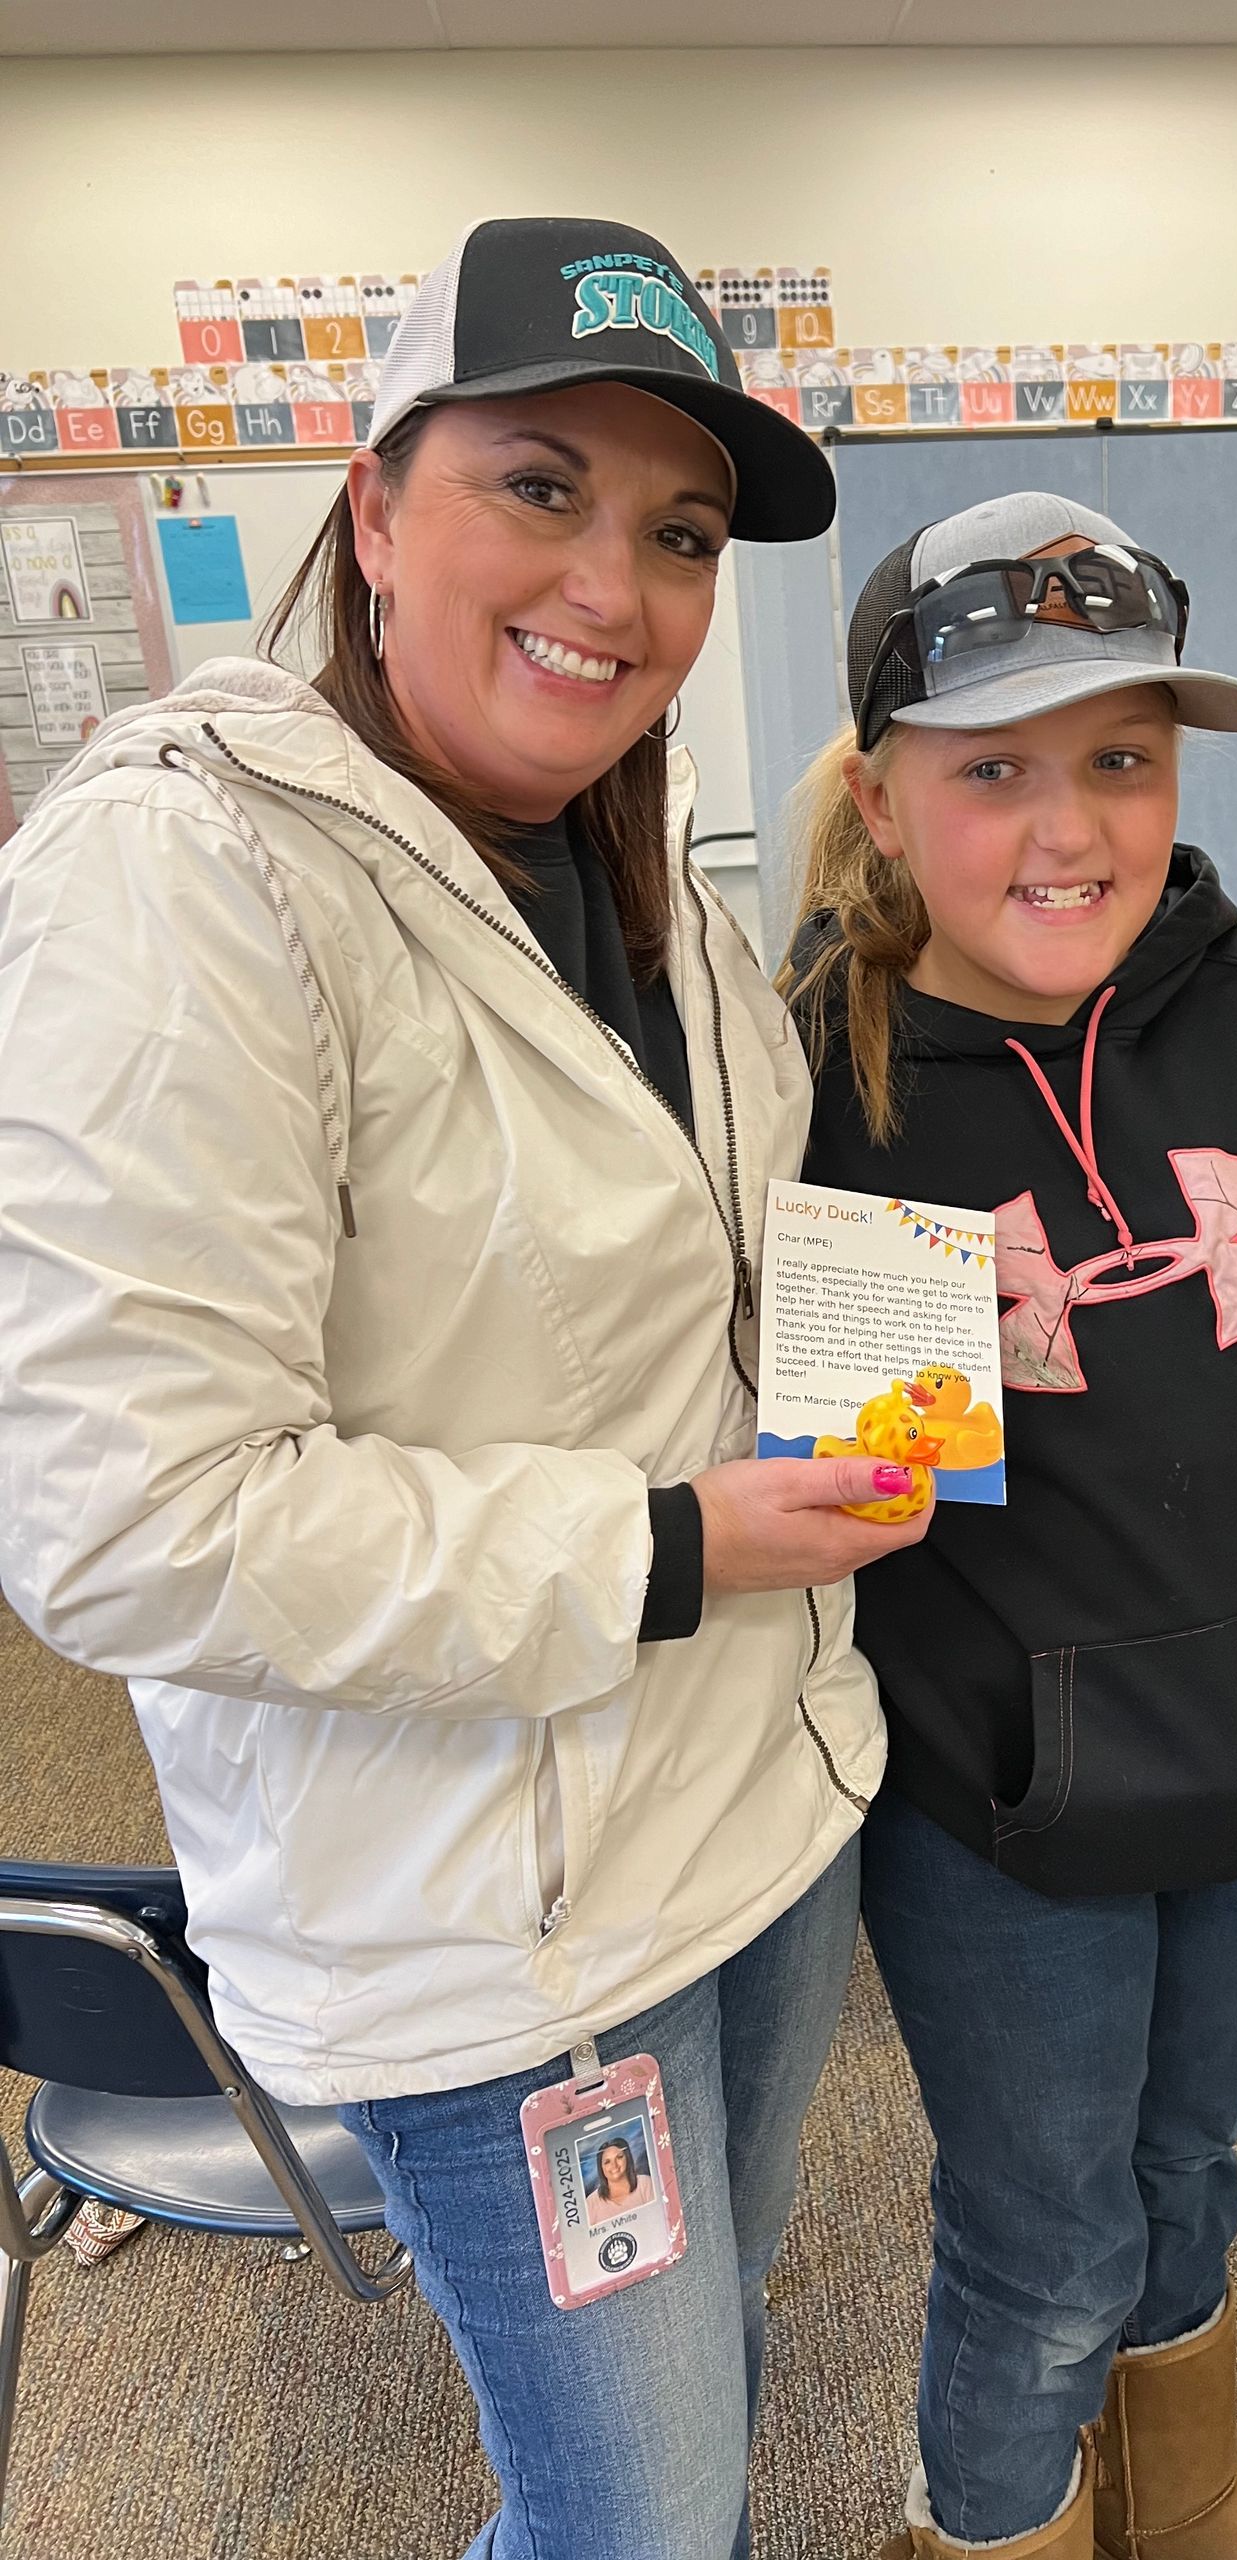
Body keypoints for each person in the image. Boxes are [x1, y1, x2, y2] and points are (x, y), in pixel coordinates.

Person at [0, 217, 934, 2560]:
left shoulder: (658, 888)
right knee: (629, 2513)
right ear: (379, 500)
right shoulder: (183, 876)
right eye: (542, 485)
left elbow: (669, 1274)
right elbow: (128, 1514)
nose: (615, 587)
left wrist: (902, 1323)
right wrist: (673, 1536)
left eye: (680, 533)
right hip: (498, 1927)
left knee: (696, 2428)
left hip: (752, 1807)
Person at [786, 492, 1237, 2560]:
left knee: (1192, 2159)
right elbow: (861, 1502)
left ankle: (1193, 2480)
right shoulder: (830, 1082)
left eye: (1120, 759)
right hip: (1002, 1805)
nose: (1072, 827)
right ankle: (999, 2531)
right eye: (996, 770)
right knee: (1044, 2228)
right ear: (884, 799)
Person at [589, 2137, 653, 2220]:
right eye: (607, 2162)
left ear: (627, 2157)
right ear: (601, 2167)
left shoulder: (646, 2184)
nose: (614, 2165)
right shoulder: (590, 2203)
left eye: (619, 2157)